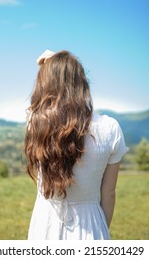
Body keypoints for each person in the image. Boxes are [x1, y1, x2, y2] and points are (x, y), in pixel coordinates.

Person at [24, 49, 128, 240]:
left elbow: (36, 107)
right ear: (82, 83)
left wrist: (50, 66)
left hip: (45, 226)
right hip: (91, 225)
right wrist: (101, 231)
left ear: (46, 85)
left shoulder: (37, 125)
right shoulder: (110, 128)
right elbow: (109, 193)